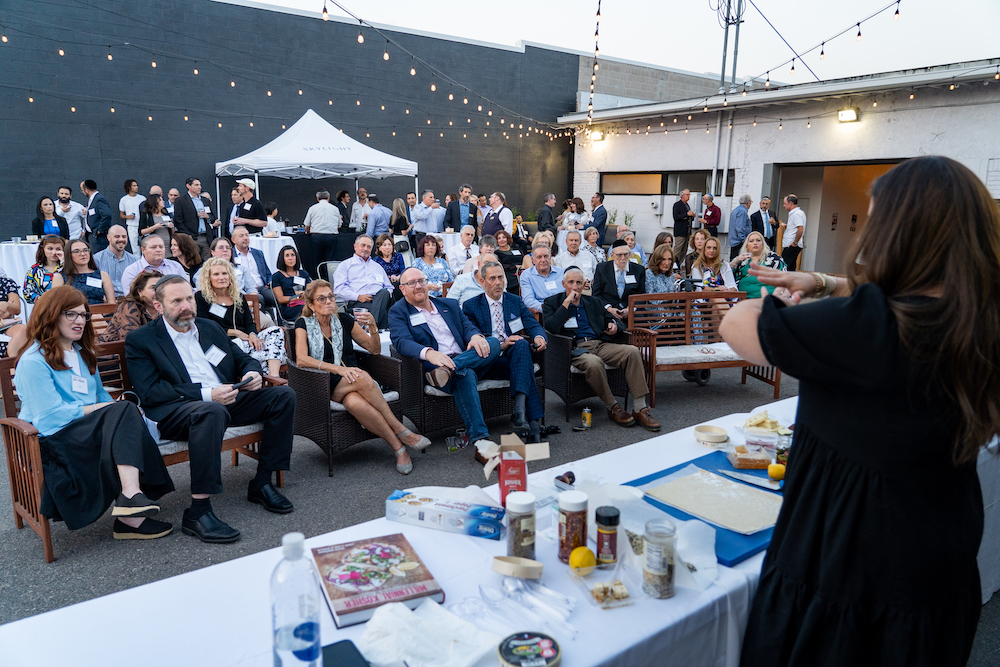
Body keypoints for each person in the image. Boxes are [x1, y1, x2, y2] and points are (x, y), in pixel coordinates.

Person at [723, 156, 997, 667]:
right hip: (937, 567)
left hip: (846, 566)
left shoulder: (866, 329)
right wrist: (829, 284)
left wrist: (799, 300)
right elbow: (914, 300)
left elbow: (738, 324)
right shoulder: (979, 318)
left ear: (903, 232)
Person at [126, 276, 296, 543]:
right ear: (159, 306)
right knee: (211, 411)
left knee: (283, 396)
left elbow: (243, 358)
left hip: (226, 399)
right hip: (177, 412)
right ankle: (198, 511)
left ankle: (262, 482)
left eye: (189, 298)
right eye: (177, 301)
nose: (186, 306)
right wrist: (207, 394)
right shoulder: (142, 340)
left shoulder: (210, 327)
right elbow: (151, 391)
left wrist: (252, 373)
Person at [15, 286, 174, 539]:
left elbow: (100, 396)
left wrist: (114, 405)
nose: (80, 321)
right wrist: (106, 408)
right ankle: (130, 501)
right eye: (71, 314)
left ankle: (128, 510)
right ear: (50, 315)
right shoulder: (33, 361)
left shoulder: (83, 352)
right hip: (56, 438)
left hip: (86, 430)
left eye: (84, 315)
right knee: (121, 410)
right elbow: (49, 417)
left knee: (126, 409)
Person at [294, 280, 430, 474]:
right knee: (362, 376)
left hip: (351, 381)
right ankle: (401, 430)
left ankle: (398, 449)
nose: (328, 301)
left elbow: (373, 349)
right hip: (323, 382)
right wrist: (338, 369)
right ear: (311, 304)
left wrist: (373, 326)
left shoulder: (344, 320)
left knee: (354, 403)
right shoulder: (303, 324)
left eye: (331, 297)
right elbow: (301, 359)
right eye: (321, 298)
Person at [389, 267, 501, 454]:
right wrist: (428, 352)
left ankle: (452, 369)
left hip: (460, 360)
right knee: (465, 375)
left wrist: (474, 337)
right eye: (412, 283)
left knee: (494, 343)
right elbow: (401, 341)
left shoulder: (448, 304)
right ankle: (481, 441)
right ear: (402, 289)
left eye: (421, 281)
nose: (418, 286)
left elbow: (468, 327)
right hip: (436, 364)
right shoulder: (398, 311)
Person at [543, 269, 659, 430]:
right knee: (594, 362)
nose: (575, 286)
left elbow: (612, 319)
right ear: (563, 284)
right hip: (576, 348)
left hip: (600, 343)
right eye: (571, 282)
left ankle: (640, 408)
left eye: (578, 282)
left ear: (584, 285)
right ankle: (613, 407)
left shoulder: (593, 302)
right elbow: (551, 327)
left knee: (632, 351)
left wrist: (613, 325)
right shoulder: (552, 302)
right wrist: (567, 303)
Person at [463, 261, 547, 440]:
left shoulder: (514, 301)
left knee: (522, 344)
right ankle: (531, 424)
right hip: (489, 360)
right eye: (492, 278)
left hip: (515, 355)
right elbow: (473, 336)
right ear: (482, 281)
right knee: (524, 365)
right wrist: (500, 345)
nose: (498, 282)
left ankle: (520, 414)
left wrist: (539, 337)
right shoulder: (471, 306)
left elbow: (533, 325)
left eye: (500, 277)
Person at [196, 258, 286, 377]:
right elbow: (205, 328)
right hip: (224, 344)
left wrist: (253, 334)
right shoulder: (201, 298)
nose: (221, 277)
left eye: (224, 273)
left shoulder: (238, 296)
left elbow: (249, 323)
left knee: (276, 330)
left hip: (247, 342)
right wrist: (236, 333)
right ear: (208, 278)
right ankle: (265, 376)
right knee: (274, 352)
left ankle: (273, 376)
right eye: (216, 274)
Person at [332, 234, 394, 329]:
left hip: (379, 298)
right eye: (363, 245)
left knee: (384, 293)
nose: (365, 248)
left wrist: (380, 298)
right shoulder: (345, 265)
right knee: (385, 313)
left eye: (369, 247)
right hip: (358, 302)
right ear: (355, 246)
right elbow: (339, 289)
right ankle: (375, 328)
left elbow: (389, 287)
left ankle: (372, 324)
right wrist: (358, 297)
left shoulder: (377, 267)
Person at [98, 269, 162, 343]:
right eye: (153, 288)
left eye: (161, 287)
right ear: (140, 291)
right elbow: (131, 339)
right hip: (116, 351)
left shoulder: (164, 307)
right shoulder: (129, 306)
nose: (159, 291)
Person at [593, 239, 646, 320]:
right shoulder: (602, 269)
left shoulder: (638, 270)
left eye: (626, 254)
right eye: (619, 255)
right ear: (612, 255)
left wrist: (630, 309)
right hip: (608, 310)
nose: (623, 258)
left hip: (631, 311)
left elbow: (641, 295)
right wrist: (609, 308)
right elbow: (596, 294)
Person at [53, 240, 115, 305]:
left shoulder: (103, 275)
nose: (83, 254)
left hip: (100, 313)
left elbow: (112, 304)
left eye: (85, 250)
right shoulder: (60, 277)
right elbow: (55, 305)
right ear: (69, 255)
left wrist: (100, 315)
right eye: (76, 251)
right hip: (73, 313)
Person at [120, 235, 188, 293]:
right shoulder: (132, 270)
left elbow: (187, 290)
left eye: (161, 247)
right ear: (143, 250)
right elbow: (130, 297)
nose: (158, 250)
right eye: (153, 247)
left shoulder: (176, 266)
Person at [231, 226, 277, 311]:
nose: (245, 238)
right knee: (259, 299)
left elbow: (267, 273)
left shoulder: (258, 253)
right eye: (241, 236)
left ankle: (279, 322)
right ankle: (263, 322)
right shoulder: (231, 255)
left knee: (276, 296)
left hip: (262, 287)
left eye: (247, 235)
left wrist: (269, 282)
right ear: (233, 240)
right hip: (245, 289)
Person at [173, 177, 220, 259]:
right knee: (193, 261)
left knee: (208, 261)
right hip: (192, 237)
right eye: (196, 185)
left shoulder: (206, 200)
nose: (199, 187)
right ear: (188, 186)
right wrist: (188, 236)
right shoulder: (181, 201)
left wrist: (207, 216)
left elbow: (213, 217)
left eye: (200, 185)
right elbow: (178, 220)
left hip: (206, 237)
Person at [730, 232, 786, 298]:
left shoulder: (774, 259)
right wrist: (735, 262)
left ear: (763, 244)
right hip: (744, 299)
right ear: (747, 246)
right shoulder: (741, 260)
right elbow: (726, 274)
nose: (755, 243)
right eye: (751, 241)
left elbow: (784, 278)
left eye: (758, 240)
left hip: (769, 298)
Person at [94, 225, 139, 298]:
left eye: (124, 236)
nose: (121, 239)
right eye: (117, 236)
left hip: (129, 301)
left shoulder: (135, 261)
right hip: (105, 302)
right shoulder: (96, 259)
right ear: (108, 237)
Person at [519, 243, 564, 314]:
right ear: (533, 260)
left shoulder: (562, 273)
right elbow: (528, 300)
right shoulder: (527, 275)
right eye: (539, 257)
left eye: (546, 256)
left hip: (564, 310)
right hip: (543, 313)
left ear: (550, 257)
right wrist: (547, 309)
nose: (543, 260)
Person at [271, 245, 312, 322]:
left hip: (305, 302)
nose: (290, 258)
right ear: (282, 259)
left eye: (293, 255)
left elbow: (311, 291)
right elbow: (280, 299)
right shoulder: (277, 276)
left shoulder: (303, 273)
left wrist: (305, 295)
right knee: (304, 309)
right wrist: (297, 297)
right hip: (289, 306)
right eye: (287, 255)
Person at [23, 235, 65, 304]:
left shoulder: (67, 267)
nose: (54, 252)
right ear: (43, 249)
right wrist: (43, 299)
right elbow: (27, 292)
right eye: (50, 249)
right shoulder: (35, 269)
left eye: (58, 249)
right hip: (42, 307)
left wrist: (64, 263)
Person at [0, 268, 27, 358]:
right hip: (4, 321)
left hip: (5, 325)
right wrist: (6, 310)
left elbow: (16, 309)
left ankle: (14, 365)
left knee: (23, 330)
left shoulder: (6, 282)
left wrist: (6, 305)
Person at [80, 180, 113, 253]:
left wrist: (99, 230)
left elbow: (107, 214)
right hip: (92, 236)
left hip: (98, 237)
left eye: (83, 191)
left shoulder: (99, 199)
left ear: (87, 190)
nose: (83, 193)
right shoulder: (93, 199)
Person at [372, 233, 405, 300]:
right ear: (380, 248)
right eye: (384, 245)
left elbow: (403, 272)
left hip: (398, 281)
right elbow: (376, 277)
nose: (387, 247)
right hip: (384, 285)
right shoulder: (375, 261)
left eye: (389, 245)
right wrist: (388, 279)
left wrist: (397, 277)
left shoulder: (398, 256)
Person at [118, 179, 145, 254]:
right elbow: (121, 214)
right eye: (134, 186)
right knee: (135, 247)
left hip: (143, 226)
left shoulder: (142, 198)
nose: (137, 187)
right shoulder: (124, 200)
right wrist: (127, 216)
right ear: (129, 187)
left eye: (136, 185)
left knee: (144, 246)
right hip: (132, 226)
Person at [781, 194, 805, 269]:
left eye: (785, 203)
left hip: (791, 244)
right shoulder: (794, 213)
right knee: (791, 267)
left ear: (791, 203)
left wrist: (795, 242)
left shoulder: (797, 213)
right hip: (790, 243)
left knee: (785, 267)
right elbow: (795, 227)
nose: (783, 205)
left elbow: (800, 229)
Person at [672, 189, 696, 266]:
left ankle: (679, 264)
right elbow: (676, 217)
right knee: (678, 249)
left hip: (687, 231)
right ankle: (673, 264)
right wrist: (687, 214)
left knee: (684, 249)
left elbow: (688, 217)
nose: (689, 196)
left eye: (689, 195)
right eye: (687, 195)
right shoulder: (677, 205)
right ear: (682, 196)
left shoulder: (687, 205)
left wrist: (692, 216)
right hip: (680, 231)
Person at [729, 194, 753, 260]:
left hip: (734, 241)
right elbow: (739, 228)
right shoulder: (742, 211)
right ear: (748, 202)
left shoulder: (736, 210)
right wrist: (744, 240)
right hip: (739, 242)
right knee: (738, 262)